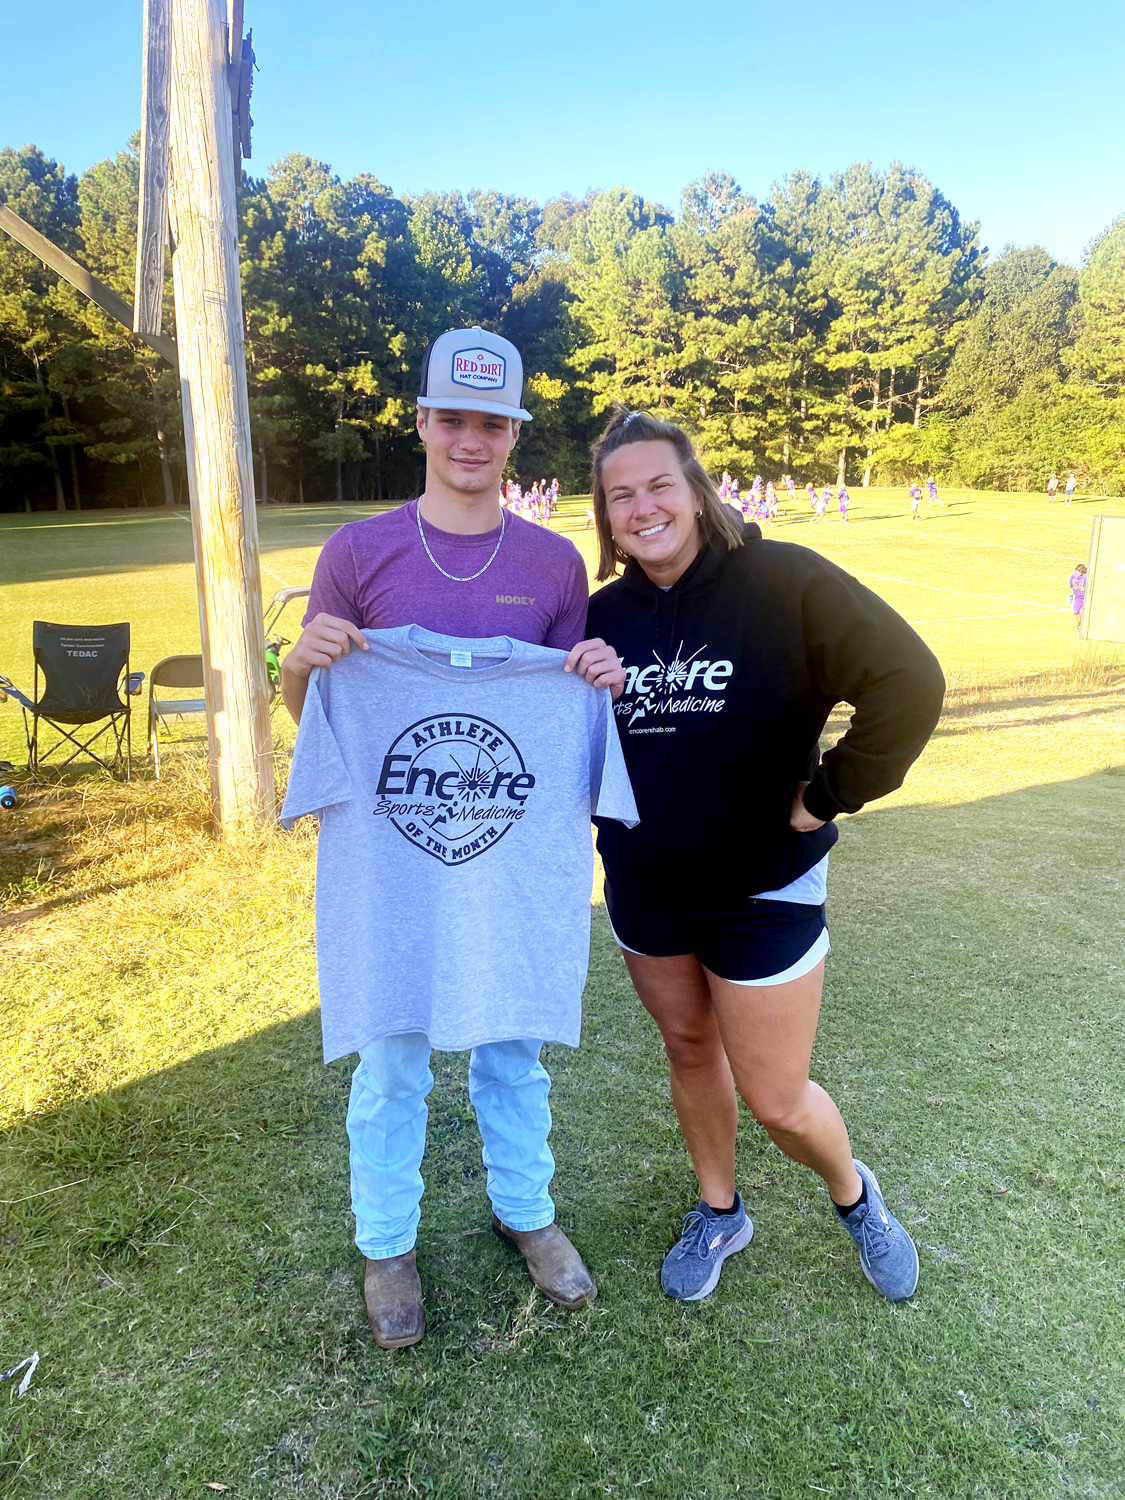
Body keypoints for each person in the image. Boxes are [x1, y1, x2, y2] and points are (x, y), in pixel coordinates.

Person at [280, 326, 625, 1349]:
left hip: (508, 864)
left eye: (492, 423)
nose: (471, 439)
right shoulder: (357, 553)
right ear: (423, 421)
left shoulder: (554, 565)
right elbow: (319, 726)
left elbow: (557, 722)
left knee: (513, 1048)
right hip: (390, 869)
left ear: (514, 435)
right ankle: (386, 1244)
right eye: (453, 419)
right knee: (390, 1057)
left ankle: (528, 1213)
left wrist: (594, 678)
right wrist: (299, 666)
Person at [585, 408, 945, 1304]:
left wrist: (828, 794)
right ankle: (719, 1211)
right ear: (605, 516)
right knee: (687, 1049)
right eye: (620, 495)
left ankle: (854, 1196)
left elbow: (908, 680)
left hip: (762, 889)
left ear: (696, 492)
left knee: (778, 1099)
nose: (642, 507)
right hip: (645, 888)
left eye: (658, 485)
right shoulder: (600, 617)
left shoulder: (782, 580)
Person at [1069, 562, 1088, 630]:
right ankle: (1080, 623)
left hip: (1087, 597)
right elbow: (1072, 587)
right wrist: (1071, 595)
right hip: (1078, 598)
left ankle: (1085, 625)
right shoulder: (1074, 576)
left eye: (1080, 571)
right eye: (1077, 571)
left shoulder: (1086, 576)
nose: (1078, 573)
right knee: (1075, 611)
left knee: (1086, 612)